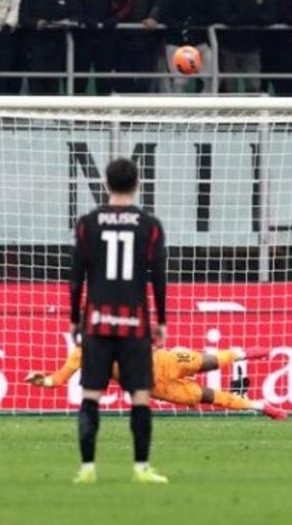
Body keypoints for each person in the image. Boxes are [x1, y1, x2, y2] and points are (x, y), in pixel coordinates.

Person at [69, 158, 168, 485]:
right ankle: (141, 467)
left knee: (91, 395)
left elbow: (76, 276)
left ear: (107, 185)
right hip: (134, 324)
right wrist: (162, 320)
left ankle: (87, 469)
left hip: (97, 323)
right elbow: (159, 277)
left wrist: (74, 318)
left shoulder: (87, 223)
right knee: (140, 395)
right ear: (137, 184)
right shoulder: (150, 225)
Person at [25, 346, 288, 419]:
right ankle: (262, 407)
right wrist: (42, 381)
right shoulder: (80, 353)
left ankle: (243, 353)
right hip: (155, 387)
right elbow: (58, 380)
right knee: (207, 397)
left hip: (165, 361)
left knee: (206, 361)